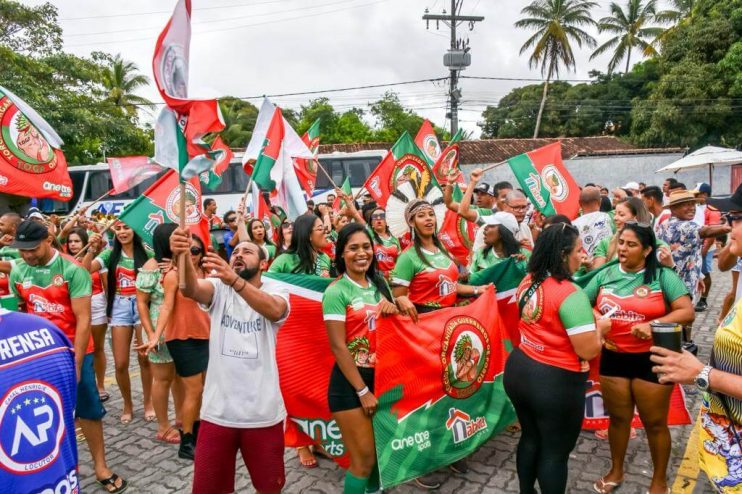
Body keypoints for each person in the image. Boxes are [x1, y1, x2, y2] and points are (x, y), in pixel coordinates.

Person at [9, 220, 127, 493]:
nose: (27, 254)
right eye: (22, 249)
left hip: (73, 351)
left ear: (49, 240)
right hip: (37, 354)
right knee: (40, 410)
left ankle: (101, 466)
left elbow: (84, 320)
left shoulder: (73, 270)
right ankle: (47, 468)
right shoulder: (19, 270)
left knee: (88, 410)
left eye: (33, 248)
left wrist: (75, 364)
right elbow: (20, 311)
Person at [169, 228, 290, 494]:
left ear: (263, 263)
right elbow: (190, 289)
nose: (238, 255)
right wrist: (182, 257)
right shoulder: (218, 287)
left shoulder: (275, 288)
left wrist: (234, 280)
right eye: (235, 251)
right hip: (217, 414)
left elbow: (274, 310)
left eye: (247, 252)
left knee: (270, 488)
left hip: (263, 415)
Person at [583, 223, 694, 494]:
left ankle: (659, 482)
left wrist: (653, 324)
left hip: (652, 359)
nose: (622, 248)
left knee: (655, 423)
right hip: (613, 358)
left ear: (646, 250)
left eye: (631, 245)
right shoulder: (605, 274)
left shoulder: (663, 276)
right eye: (621, 242)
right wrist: (597, 318)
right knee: (619, 420)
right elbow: (582, 303)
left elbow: (686, 311)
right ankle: (616, 471)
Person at [503, 222, 607, 494]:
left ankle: (526, 492)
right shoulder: (570, 294)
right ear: (563, 254)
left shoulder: (529, 279)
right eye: (578, 250)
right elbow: (587, 350)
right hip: (554, 381)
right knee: (555, 453)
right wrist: (601, 329)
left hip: (520, 369)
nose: (582, 255)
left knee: (530, 438)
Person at [650, 187, 742, 493]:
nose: (731, 226)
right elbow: (710, 241)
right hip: (728, 449)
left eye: (737, 219)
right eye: (732, 218)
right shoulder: (676, 225)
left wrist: (701, 373)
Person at [391, 198, 484, 486]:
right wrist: (404, 300)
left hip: (450, 327)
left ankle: (451, 449)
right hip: (423, 330)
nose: (429, 219)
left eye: (431, 214)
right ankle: (422, 460)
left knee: (451, 389)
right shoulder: (408, 257)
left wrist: (480, 289)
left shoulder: (442, 251)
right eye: (422, 216)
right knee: (425, 395)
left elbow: (452, 287)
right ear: (411, 222)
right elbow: (398, 294)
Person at [323, 223, 398, 494]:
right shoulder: (336, 291)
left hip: (383, 378)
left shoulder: (379, 284)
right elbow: (338, 346)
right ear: (341, 253)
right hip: (350, 385)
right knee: (363, 460)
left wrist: (397, 305)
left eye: (366, 247)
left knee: (380, 454)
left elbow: (393, 327)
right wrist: (362, 390)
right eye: (353, 248)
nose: (361, 253)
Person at [85, 222, 153, 424]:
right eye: (119, 228)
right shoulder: (109, 255)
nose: (123, 232)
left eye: (127, 228)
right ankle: (128, 404)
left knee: (144, 358)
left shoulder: (147, 253)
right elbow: (84, 270)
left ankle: (148, 402)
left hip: (143, 307)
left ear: (135, 230)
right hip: (119, 308)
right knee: (121, 362)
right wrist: (90, 249)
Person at [159, 233, 211, 460]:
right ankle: (186, 441)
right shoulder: (173, 275)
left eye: (196, 251)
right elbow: (166, 306)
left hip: (207, 337)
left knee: (204, 389)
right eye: (186, 250)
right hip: (182, 339)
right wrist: (155, 335)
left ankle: (198, 433)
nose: (191, 255)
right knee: (194, 390)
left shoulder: (208, 274)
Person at [135, 223, 182, 445]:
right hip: (159, 332)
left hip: (182, 328)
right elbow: (142, 304)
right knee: (162, 379)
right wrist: (150, 332)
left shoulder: (182, 262)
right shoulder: (151, 266)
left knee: (181, 377)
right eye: (175, 237)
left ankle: (182, 418)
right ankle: (163, 426)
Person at [65, 227, 109, 402]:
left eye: (77, 241)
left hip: (96, 305)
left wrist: (91, 250)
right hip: (73, 309)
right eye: (70, 241)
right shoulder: (64, 261)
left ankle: (100, 385)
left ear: (85, 242)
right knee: (77, 349)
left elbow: (85, 271)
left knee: (97, 348)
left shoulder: (96, 259)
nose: (73, 244)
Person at [592, 198, 674, 271]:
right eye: (615, 214)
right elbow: (597, 272)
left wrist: (670, 265)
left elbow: (666, 276)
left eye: (621, 215)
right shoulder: (606, 242)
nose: (615, 218)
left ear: (636, 218)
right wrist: (589, 266)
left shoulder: (658, 246)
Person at [573, 186, 614, 258]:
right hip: (607, 265)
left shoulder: (573, 225)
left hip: (583, 265)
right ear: (600, 201)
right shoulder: (609, 218)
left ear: (579, 203)